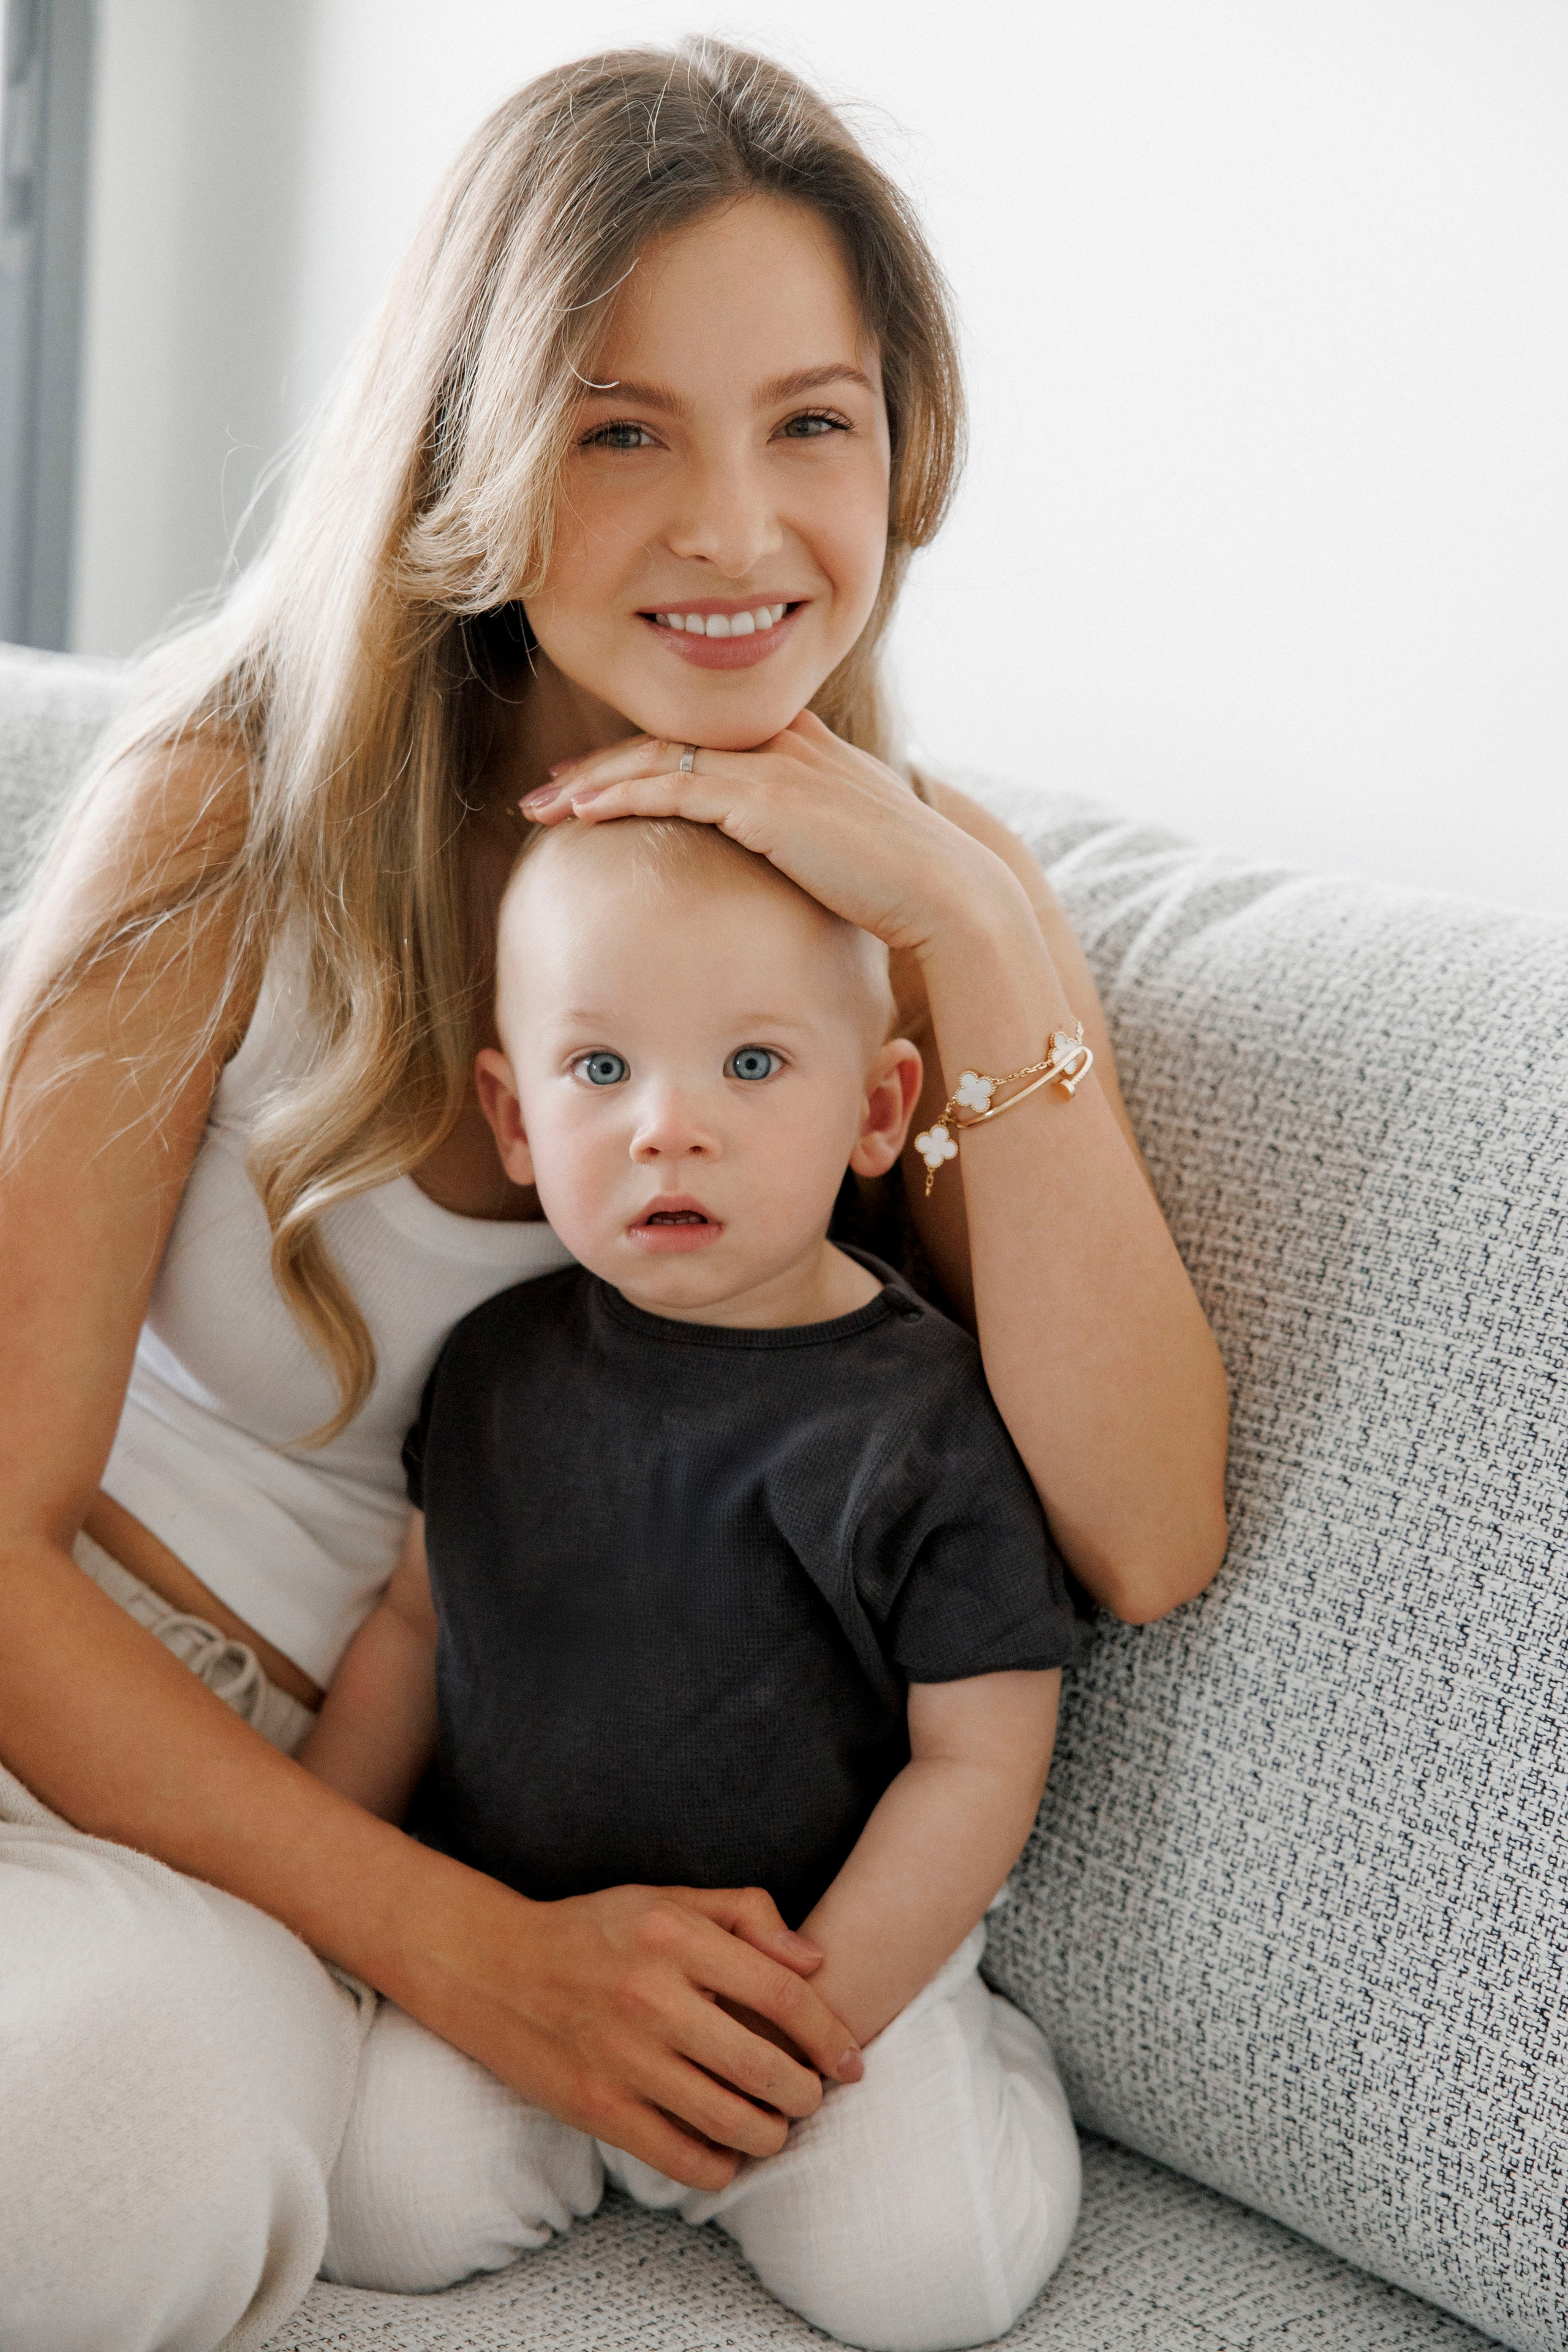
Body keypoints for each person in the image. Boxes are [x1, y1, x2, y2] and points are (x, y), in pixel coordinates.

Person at [0, 38, 1229, 2352]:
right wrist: (466, 1948)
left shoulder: (911, 911)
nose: (738, 533)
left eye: (813, 422)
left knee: (102, 2172)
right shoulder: (228, 809)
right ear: (477, 446)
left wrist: (966, 928)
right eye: (621, 427)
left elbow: (1145, 1534)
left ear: (905, 448)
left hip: (295, 1877)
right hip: (85, 1722)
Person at [299, 812, 1090, 2345]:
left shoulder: (921, 1420)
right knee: (375, 2212)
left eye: (749, 1066)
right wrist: (317, 1893)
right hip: (519, 1952)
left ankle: (981, 2073)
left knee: (933, 2285)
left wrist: (809, 2019)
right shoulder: (491, 1369)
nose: (668, 1126)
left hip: (818, 1963)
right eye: (599, 1072)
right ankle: (590, 2147)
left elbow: (981, 1756)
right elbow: (413, 1626)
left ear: (876, 1109)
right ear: (516, 1120)